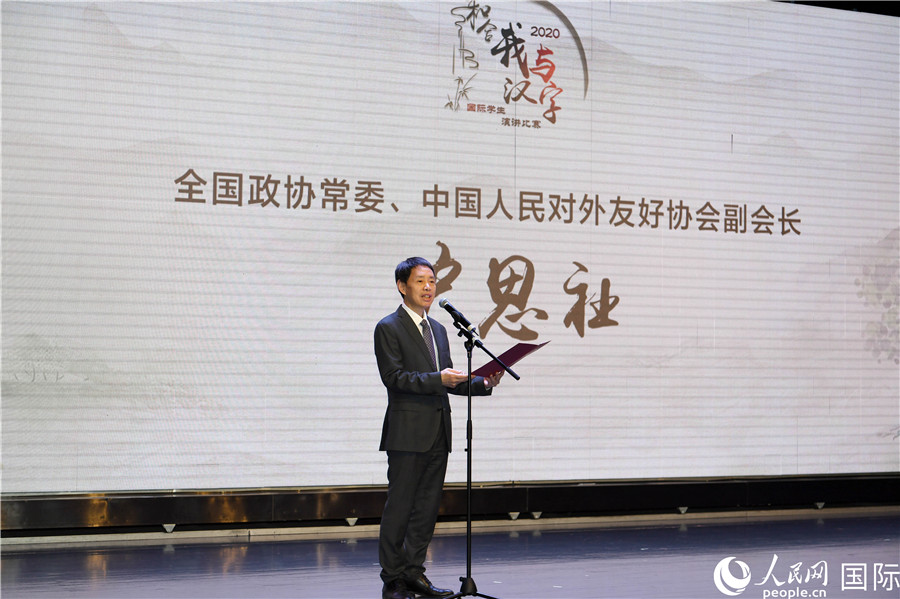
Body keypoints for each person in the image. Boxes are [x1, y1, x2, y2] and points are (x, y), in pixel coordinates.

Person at [375, 257, 503, 599]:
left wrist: (483, 383)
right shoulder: (388, 327)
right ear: (402, 287)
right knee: (400, 507)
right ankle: (393, 577)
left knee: (427, 509)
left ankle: (414, 572)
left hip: (438, 432)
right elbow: (394, 378)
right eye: (420, 281)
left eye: (432, 280)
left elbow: (450, 381)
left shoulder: (440, 330)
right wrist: (439, 378)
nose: (429, 287)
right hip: (406, 433)